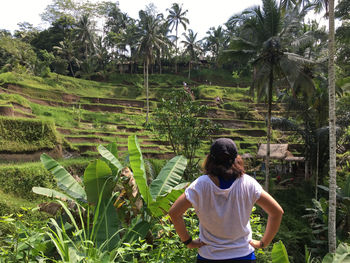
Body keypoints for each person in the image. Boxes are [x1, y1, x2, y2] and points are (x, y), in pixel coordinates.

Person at [169, 138, 284, 263]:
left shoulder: (200, 185)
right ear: (236, 158)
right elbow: (277, 212)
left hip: (209, 256)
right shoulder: (248, 183)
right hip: (243, 256)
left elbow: (174, 213)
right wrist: (263, 243)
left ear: (210, 159)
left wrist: (188, 241)